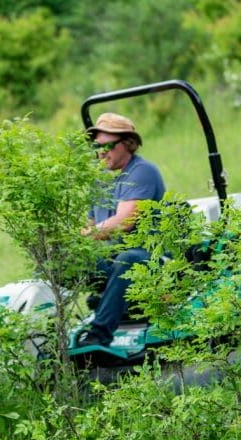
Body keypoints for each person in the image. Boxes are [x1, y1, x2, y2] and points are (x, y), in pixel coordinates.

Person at [79, 113, 165, 347]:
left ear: (128, 143)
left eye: (108, 145)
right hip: (113, 262)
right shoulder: (99, 180)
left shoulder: (142, 172)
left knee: (128, 259)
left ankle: (99, 335)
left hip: (149, 261)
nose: (101, 151)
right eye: (97, 146)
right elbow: (89, 227)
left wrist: (86, 236)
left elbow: (123, 223)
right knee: (66, 259)